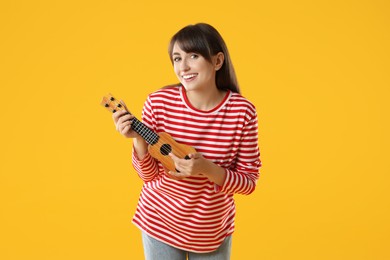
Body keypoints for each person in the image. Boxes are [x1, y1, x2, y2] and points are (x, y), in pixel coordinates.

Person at [113, 23, 261, 260]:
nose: (183, 67)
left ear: (217, 61)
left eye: (193, 55)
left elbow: (249, 182)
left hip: (210, 230)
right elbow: (148, 176)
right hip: (158, 221)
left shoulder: (242, 112)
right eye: (177, 58)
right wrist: (138, 140)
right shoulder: (158, 102)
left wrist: (207, 169)